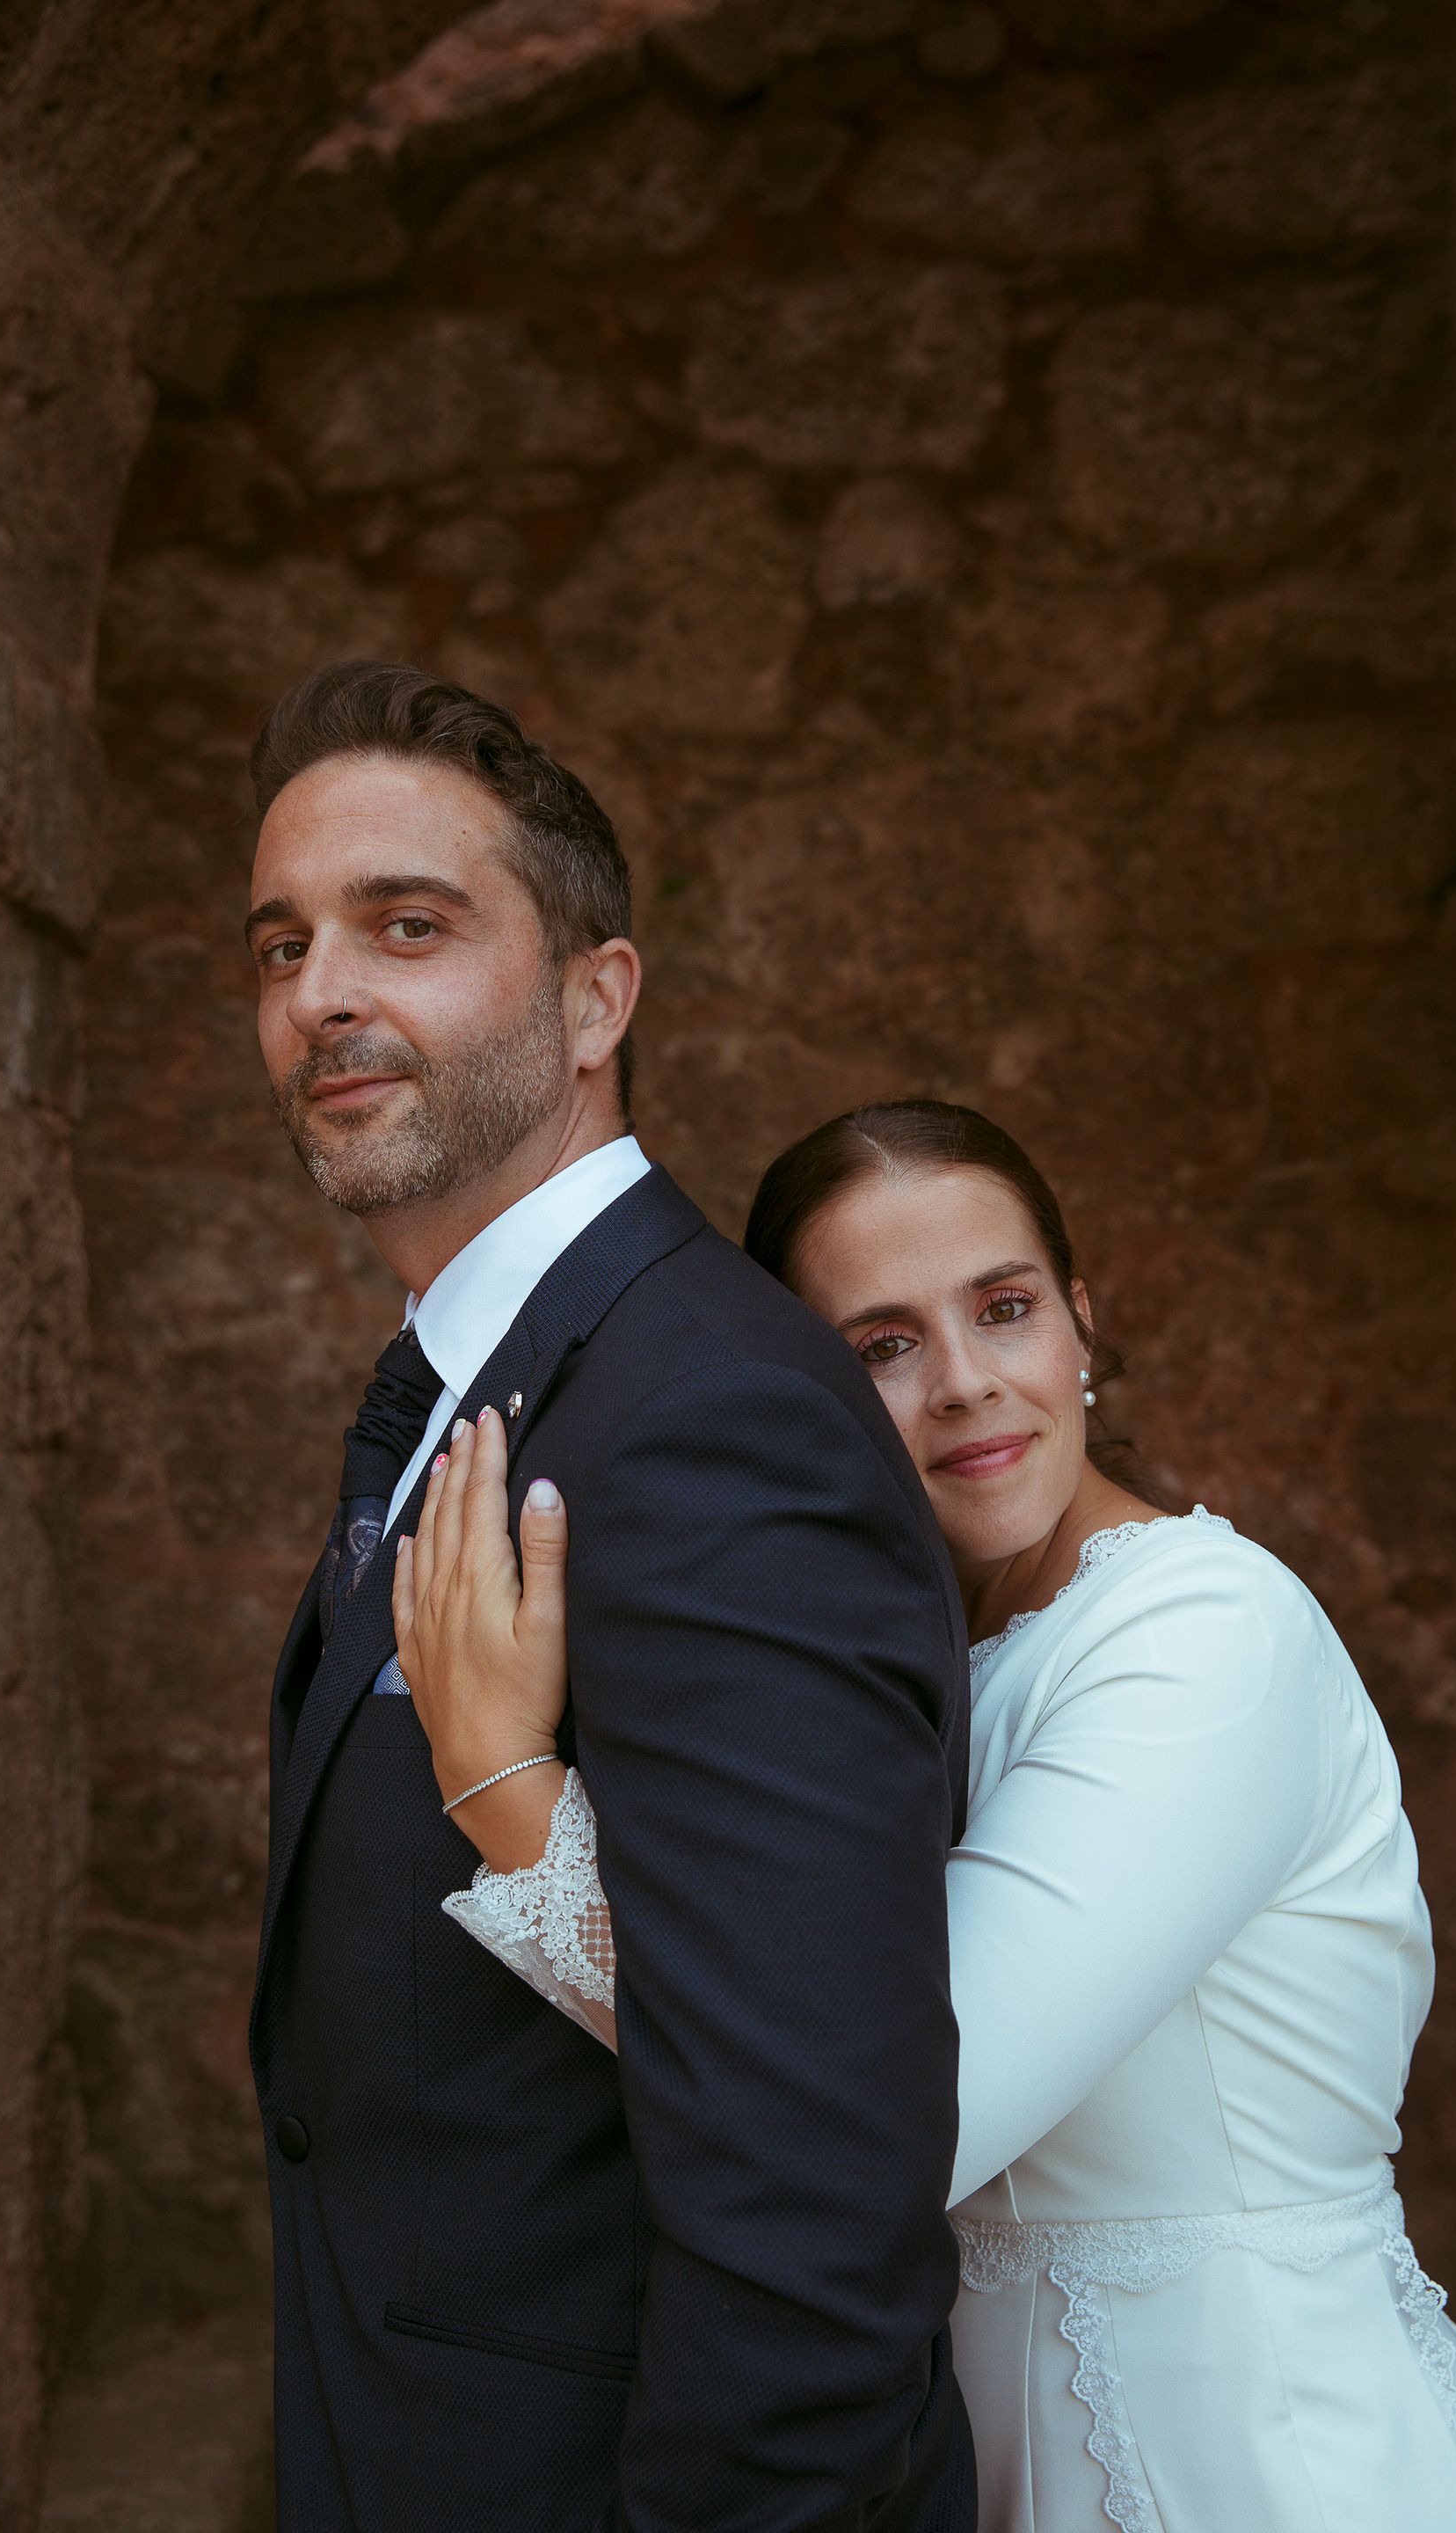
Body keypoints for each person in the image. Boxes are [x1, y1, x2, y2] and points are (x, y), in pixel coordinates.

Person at [400, 1099, 1456, 2533]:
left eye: (1004, 1310)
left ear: (1082, 1326)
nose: (962, 1382)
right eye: (881, 1347)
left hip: (1271, 2466)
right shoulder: (919, 1669)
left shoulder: (1207, 1635)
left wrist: (505, 1785)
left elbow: (900, 2115)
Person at [244, 661, 977, 2532]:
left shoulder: (713, 1415)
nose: (322, 992)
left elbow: (810, 2198)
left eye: (407, 927)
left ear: (596, 999)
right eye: (281, 945)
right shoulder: (470, 1383)